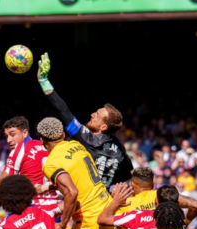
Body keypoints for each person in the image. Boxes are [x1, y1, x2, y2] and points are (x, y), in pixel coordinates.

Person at [36, 53, 133, 189]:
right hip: (106, 200)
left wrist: (44, 81)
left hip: (86, 203)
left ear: (103, 127)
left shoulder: (88, 139)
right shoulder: (120, 148)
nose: (92, 114)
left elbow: (63, 111)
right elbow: (127, 174)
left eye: (97, 115)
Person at [0, 116, 59, 213]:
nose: (8, 140)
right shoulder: (45, 145)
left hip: (35, 208)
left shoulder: (19, 151)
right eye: (7, 136)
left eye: (12, 134)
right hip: (56, 205)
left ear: (24, 133)